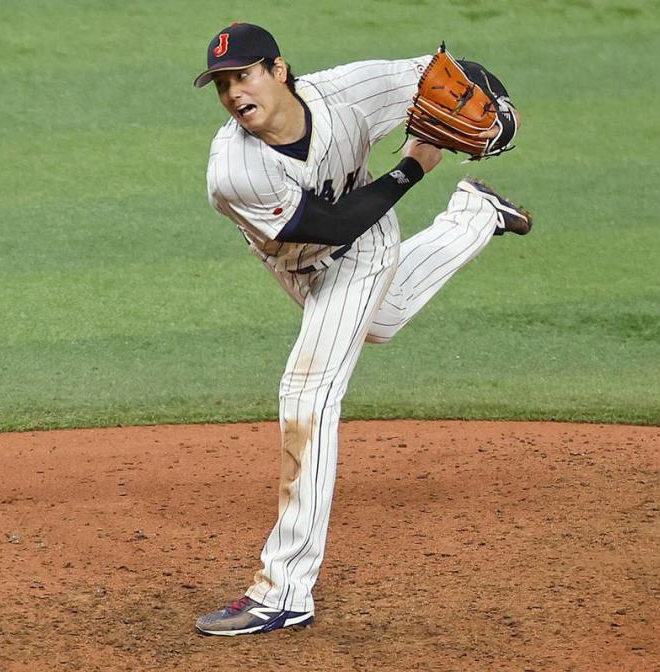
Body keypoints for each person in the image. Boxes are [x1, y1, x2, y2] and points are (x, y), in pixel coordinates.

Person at [192, 23, 530, 637]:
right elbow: (325, 222)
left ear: (279, 70)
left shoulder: (350, 93)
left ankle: (284, 589)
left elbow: (446, 74)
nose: (234, 92)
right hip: (302, 255)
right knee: (384, 319)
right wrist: (411, 168)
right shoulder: (233, 169)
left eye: (244, 74)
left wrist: (501, 114)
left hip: (366, 245)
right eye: (221, 83)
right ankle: (475, 214)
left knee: (307, 394)